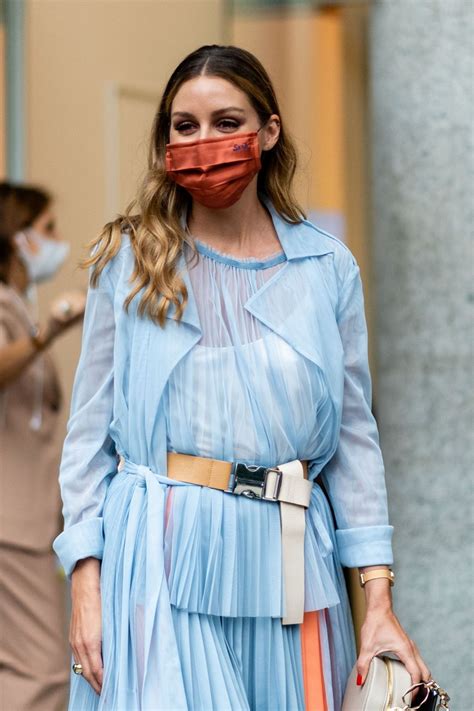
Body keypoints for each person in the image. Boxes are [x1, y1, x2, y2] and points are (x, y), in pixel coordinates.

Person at [52, 45, 431, 710]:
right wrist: (87, 583)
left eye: (227, 122)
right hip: (161, 553)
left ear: (269, 131)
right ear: (164, 141)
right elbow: (88, 439)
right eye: (184, 126)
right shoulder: (132, 260)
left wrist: (378, 597)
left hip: (289, 559)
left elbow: (353, 443)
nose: (204, 143)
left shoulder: (326, 268)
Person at [0, 182, 85, 710]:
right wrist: (44, 336)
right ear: (17, 236)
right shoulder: (11, 313)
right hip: (12, 526)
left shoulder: (17, 306)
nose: (57, 241)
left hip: (27, 521)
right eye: (47, 229)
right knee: (42, 676)